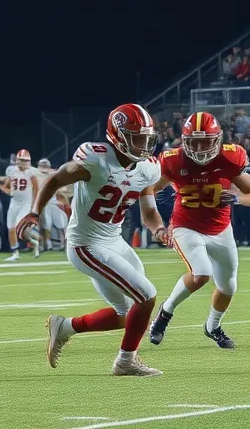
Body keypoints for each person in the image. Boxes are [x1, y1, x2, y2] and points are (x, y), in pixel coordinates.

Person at [19, 103, 167, 377]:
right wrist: (34, 212)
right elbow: (55, 179)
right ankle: (126, 362)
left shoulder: (147, 169)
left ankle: (64, 327)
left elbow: (149, 211)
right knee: (146, 296)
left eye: (146, 138)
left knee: (127, 315)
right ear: (118, 136)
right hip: (85, 245)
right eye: (136, 138)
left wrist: (159, 229)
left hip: (114, 241)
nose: (143, 145)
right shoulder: (96, 158)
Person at [147, 112, 250, 349]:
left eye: (205, 141)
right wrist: (155, 222)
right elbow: (148, 190)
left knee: (228, 286)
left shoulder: (230, 157)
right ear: (185, 140)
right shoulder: (173, 160)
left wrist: (238, 199)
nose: (200, 148)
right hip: (186, 226)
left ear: (217, 139)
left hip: (221, 229)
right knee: (201, 273)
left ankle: (213, 327)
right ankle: (165, 312)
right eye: (194, 142)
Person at [5, 150, 41, 260]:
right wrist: (8, 191)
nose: (24, 163)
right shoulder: (11, 170)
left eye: (26, 160)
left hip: (26, 203)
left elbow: (36, 189)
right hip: (14, 202)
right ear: (17, 160)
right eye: (22, 160)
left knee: (18, 226)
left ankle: (35, 240)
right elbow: (6, 186)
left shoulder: (32, 172)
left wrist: (34, 204)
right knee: (11, 228)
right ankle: (15, 253)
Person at [36, 158, 68, 251]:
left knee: (61, 223)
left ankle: (63, 243)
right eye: (43, 166)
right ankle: (47, 244)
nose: (44, 168)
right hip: (43, 203)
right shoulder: (35, 175)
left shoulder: (54, 174)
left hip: (53, 202)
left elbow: (64, 188)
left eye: (45, 166)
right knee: (46, 225)